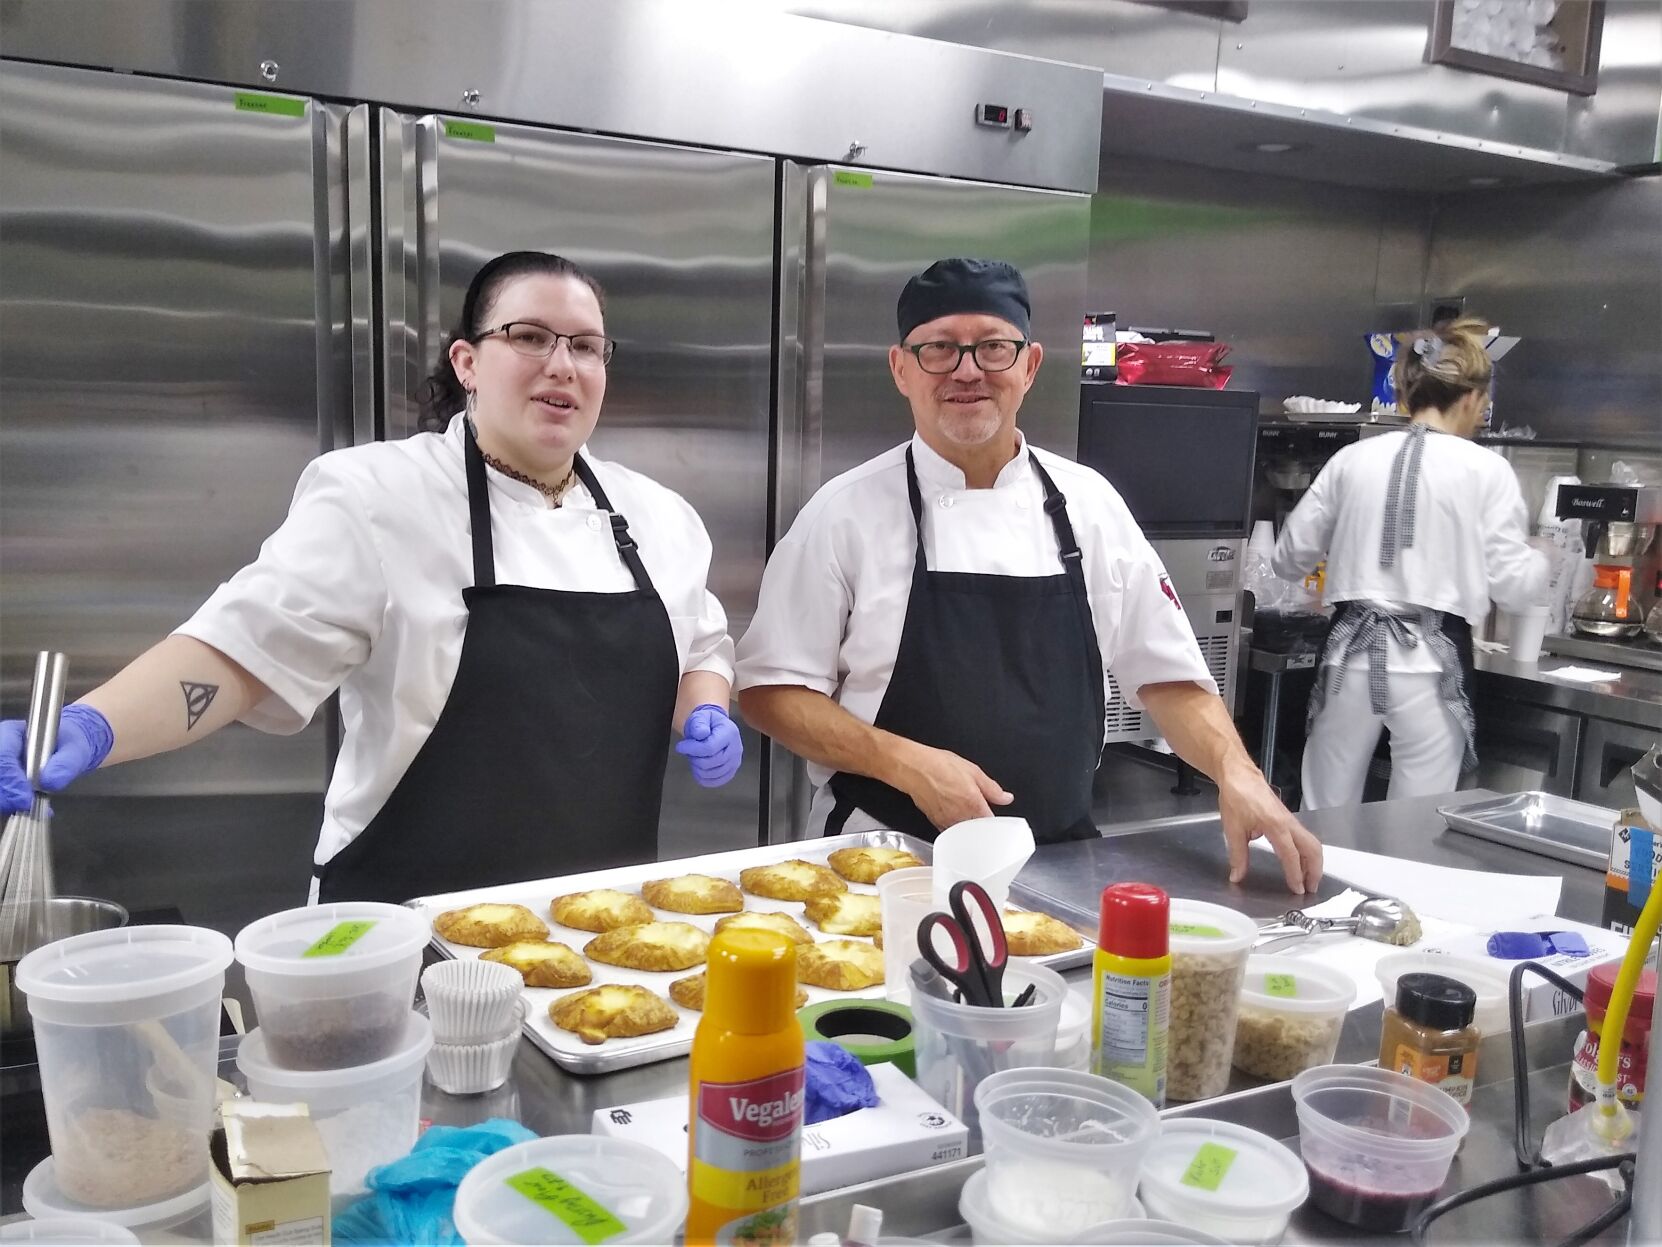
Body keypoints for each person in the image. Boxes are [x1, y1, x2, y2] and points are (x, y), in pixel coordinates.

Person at [0, 251, 743, 902]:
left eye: (586, 345)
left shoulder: (658, 517)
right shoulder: (377, 496)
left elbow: (699, 645)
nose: (563, 364)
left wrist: (703, 709)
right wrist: (90, 726)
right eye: (529, 336)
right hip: (403, 926)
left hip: (596, 927)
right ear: (468, 362)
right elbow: (241, 652)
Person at [736, 258, 1322, 893]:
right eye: (938, 348)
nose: (967, 370)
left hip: (1062, 863)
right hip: (887, 862)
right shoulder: (841, 513)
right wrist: (903, 763)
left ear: (1030, 365)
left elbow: (1168, 676)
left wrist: (1239, 775)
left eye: (992, 347)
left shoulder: (1091, 505)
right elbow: (772, 692)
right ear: (901, 369)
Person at [1273, 316, 1548, 810]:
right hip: (1432, 662)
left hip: (1350, 656)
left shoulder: (1351, 459)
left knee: (1323, 811)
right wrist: (1541, 562)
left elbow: (1289, 558)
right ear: (1469, 398)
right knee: (1418, 819)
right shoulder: (1489, 470)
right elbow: (1513, 587)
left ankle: (1312, 883)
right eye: (1483, 403)